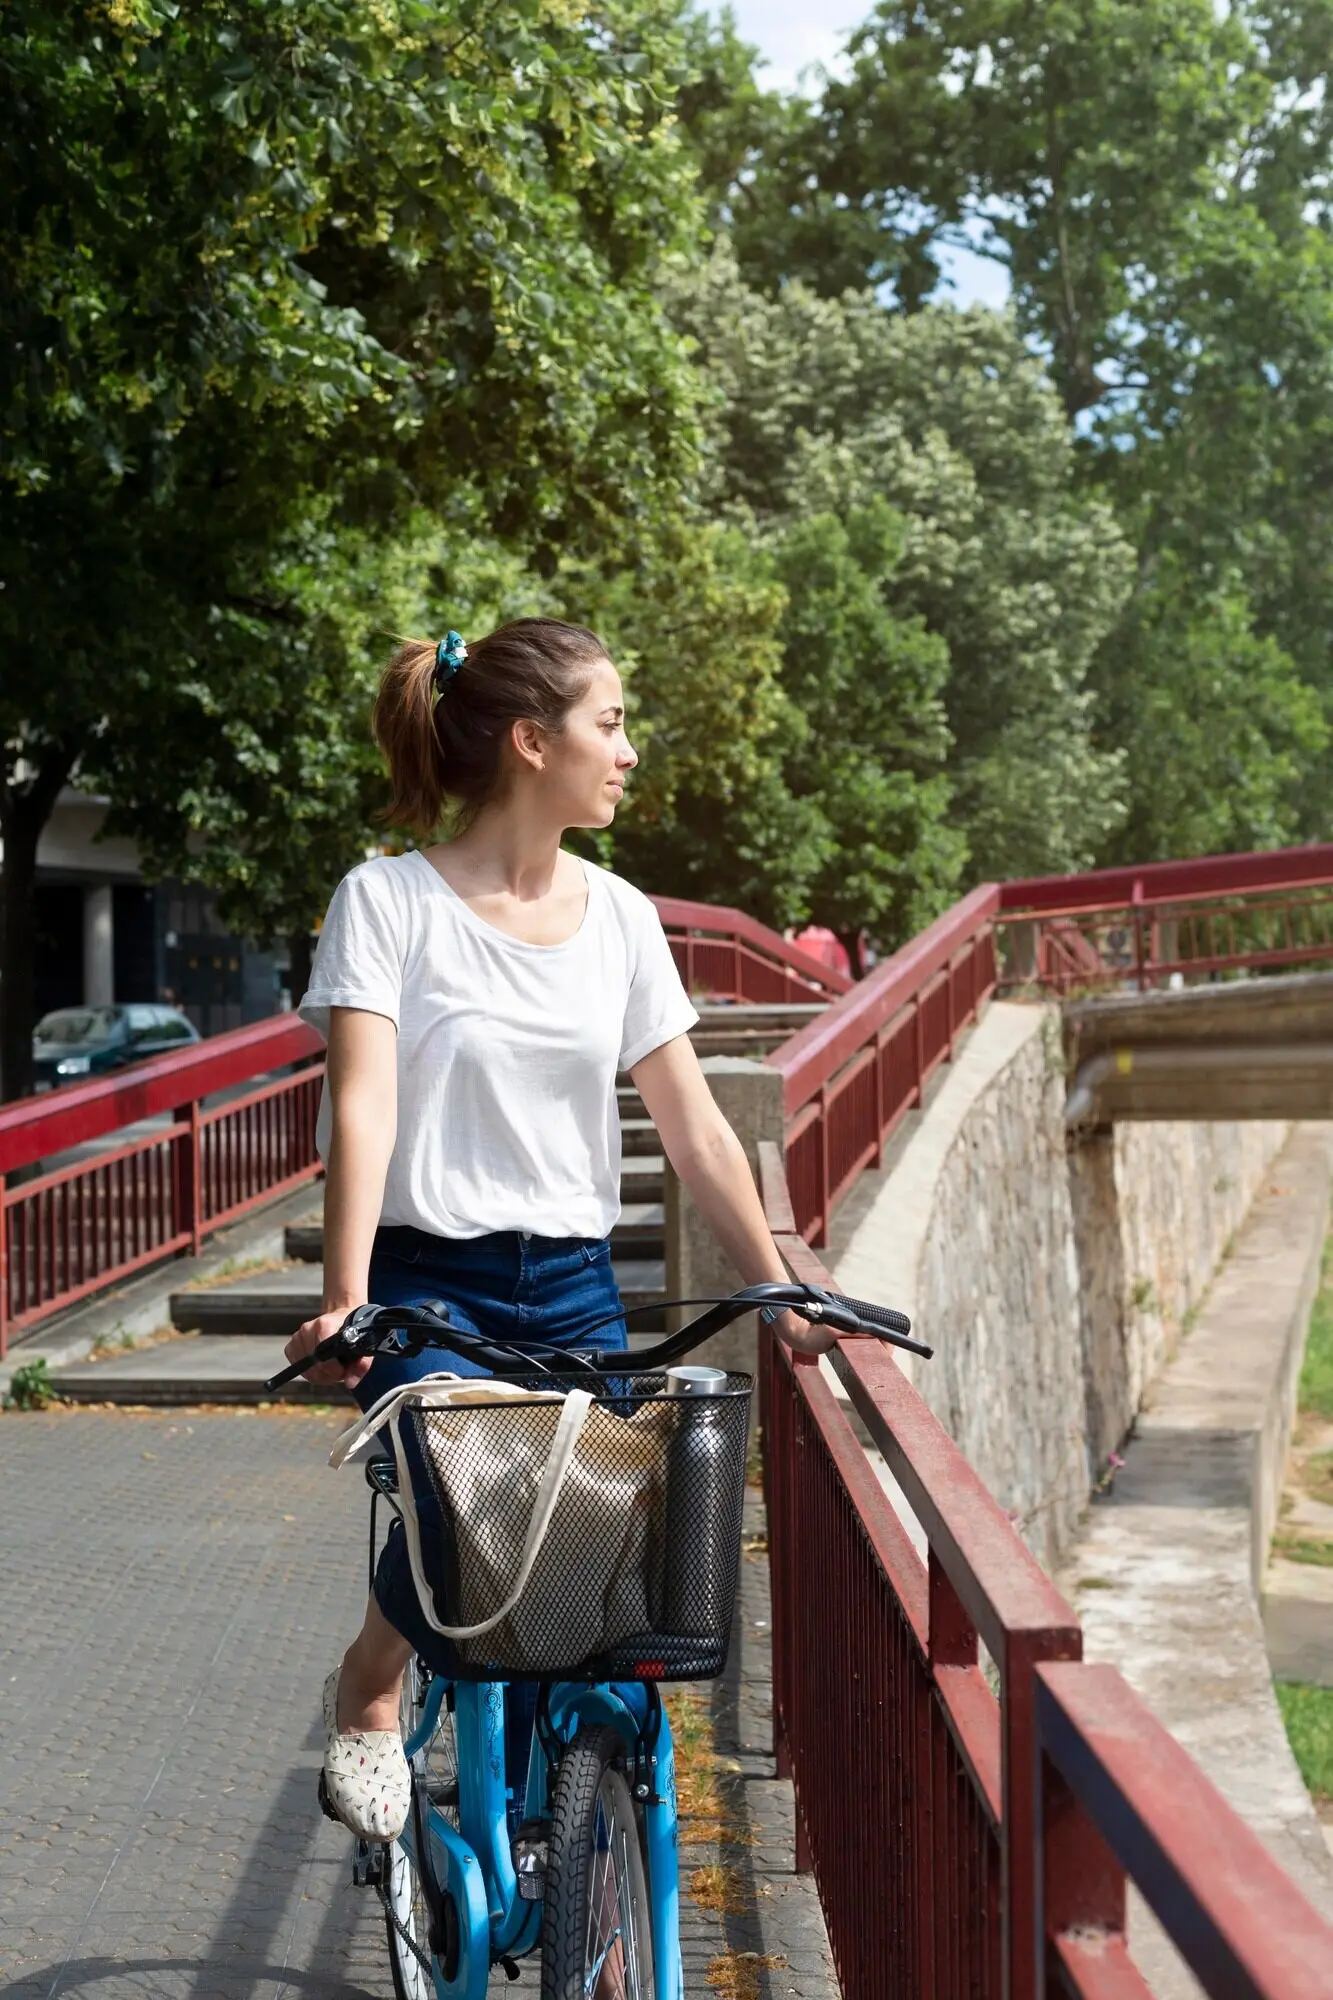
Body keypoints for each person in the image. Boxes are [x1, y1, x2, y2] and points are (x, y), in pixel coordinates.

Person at [284, 617, 837, 1842]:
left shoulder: (624, 917)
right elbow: (362, 1107)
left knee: (594, 1548)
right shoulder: (388, 901)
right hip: (433, 1282)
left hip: (575, 1285)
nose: (630, 749)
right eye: (613, 721)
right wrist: (345, 1291)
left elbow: (693, 1129)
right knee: (465, 1506)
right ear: (533, 742)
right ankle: (374, 1676)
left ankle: (565, 1828)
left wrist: (781, 1285)